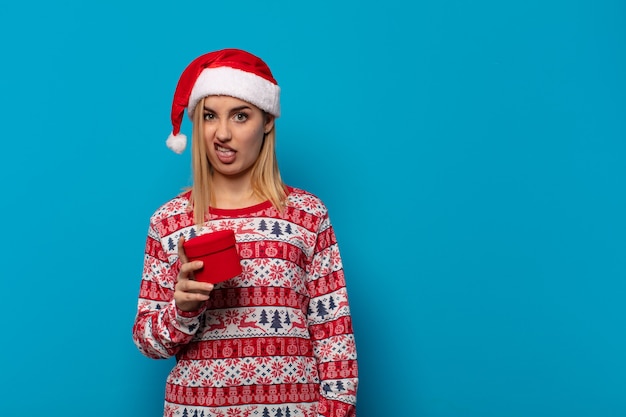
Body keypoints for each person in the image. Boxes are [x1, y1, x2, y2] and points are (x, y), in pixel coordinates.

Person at [132, 48, 358, 417]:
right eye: (209, 116)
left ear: (267, 119)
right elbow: (148, 342)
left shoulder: (307, 215)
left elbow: (335, 338)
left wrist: (335, 411)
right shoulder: (169, 222)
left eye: (240, 116)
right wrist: (182, 310)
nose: (222, 133)